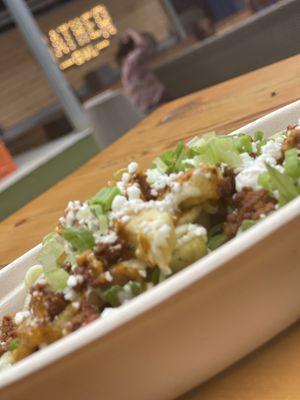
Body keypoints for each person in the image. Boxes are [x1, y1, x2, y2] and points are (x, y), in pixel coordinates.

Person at [116, 29, 168, 114]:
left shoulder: (127, 63)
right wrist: (131, 32)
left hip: (144, 100)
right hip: (150, 98)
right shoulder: (132, 59)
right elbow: (143, 45)